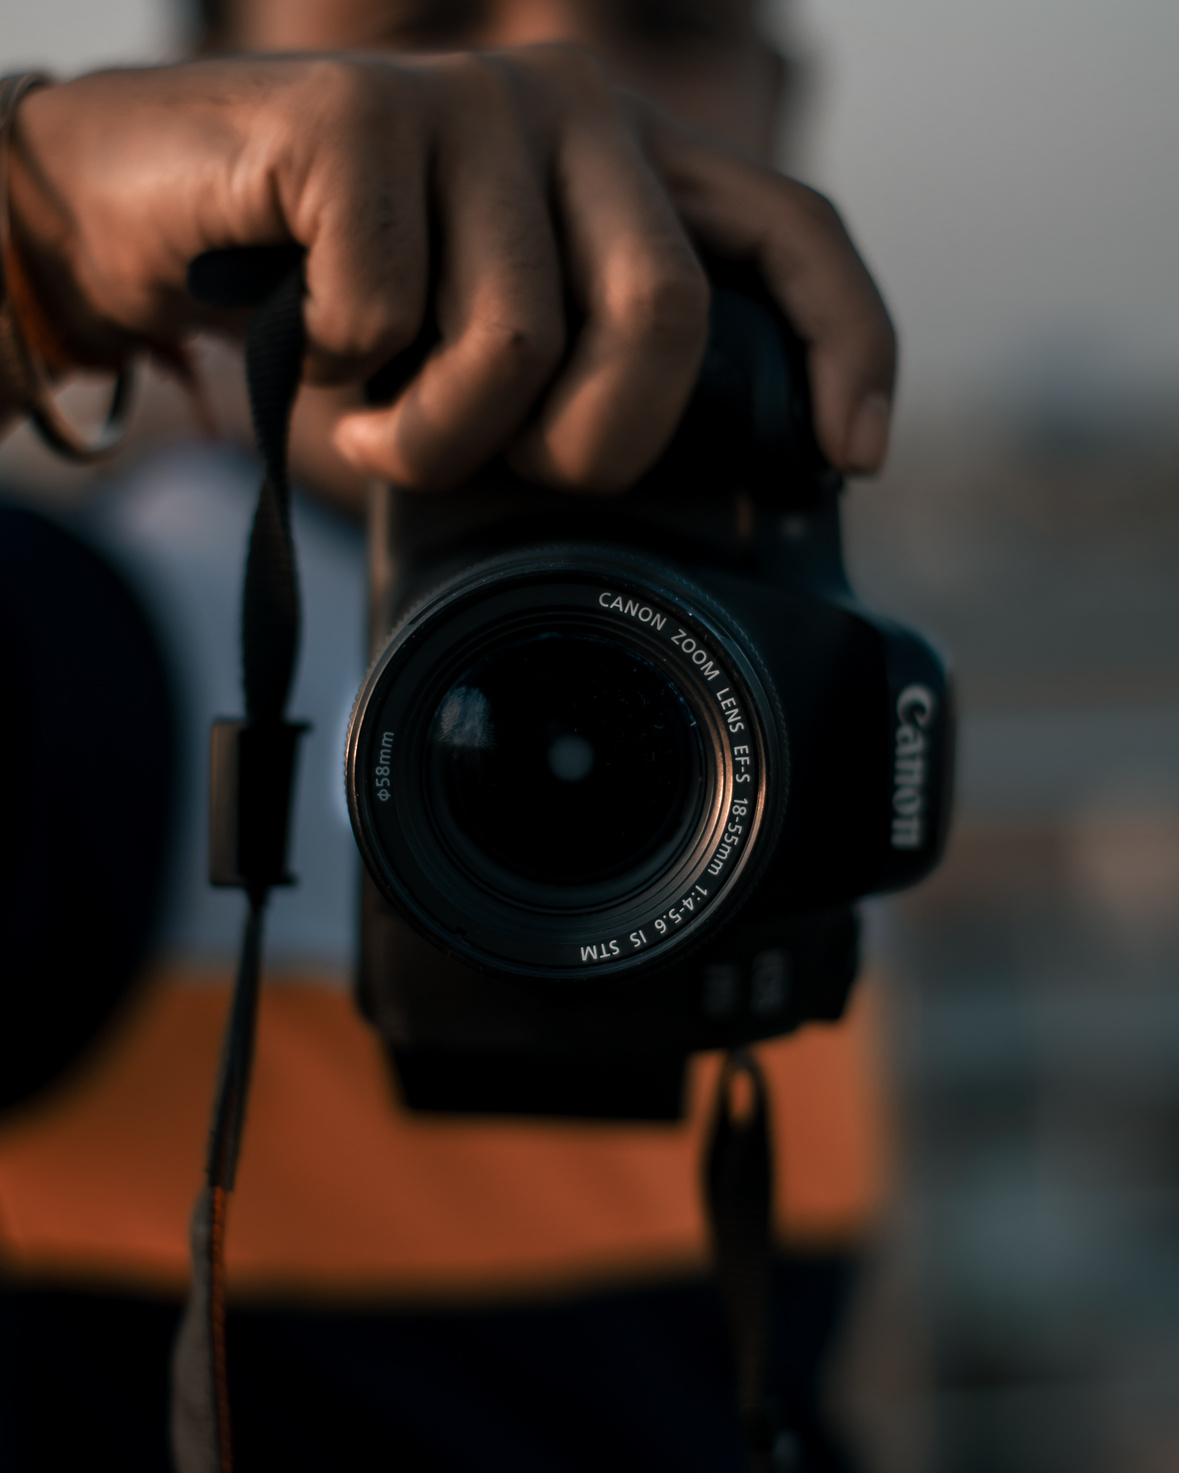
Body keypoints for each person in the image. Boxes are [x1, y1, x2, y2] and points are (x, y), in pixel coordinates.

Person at [0, 3, 895, 1468]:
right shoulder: (79, 661)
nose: (551, 85)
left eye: (661, 22)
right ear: (210, 135)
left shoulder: (780, 702)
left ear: (783, 105)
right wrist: (31, 230)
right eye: (415, 22)